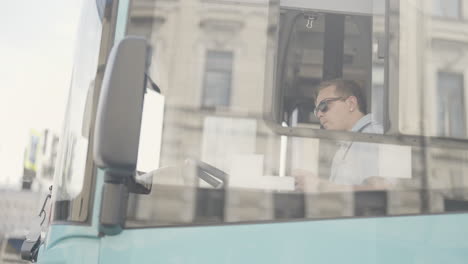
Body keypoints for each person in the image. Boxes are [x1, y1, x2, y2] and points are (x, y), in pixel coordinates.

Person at [295, 79, 389, 192]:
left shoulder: (373, 136)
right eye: (316, 111)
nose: (319, 114)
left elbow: (382, 192)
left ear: (351, 103)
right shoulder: (347, 145)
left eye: (324, 105)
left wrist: (320, 186)